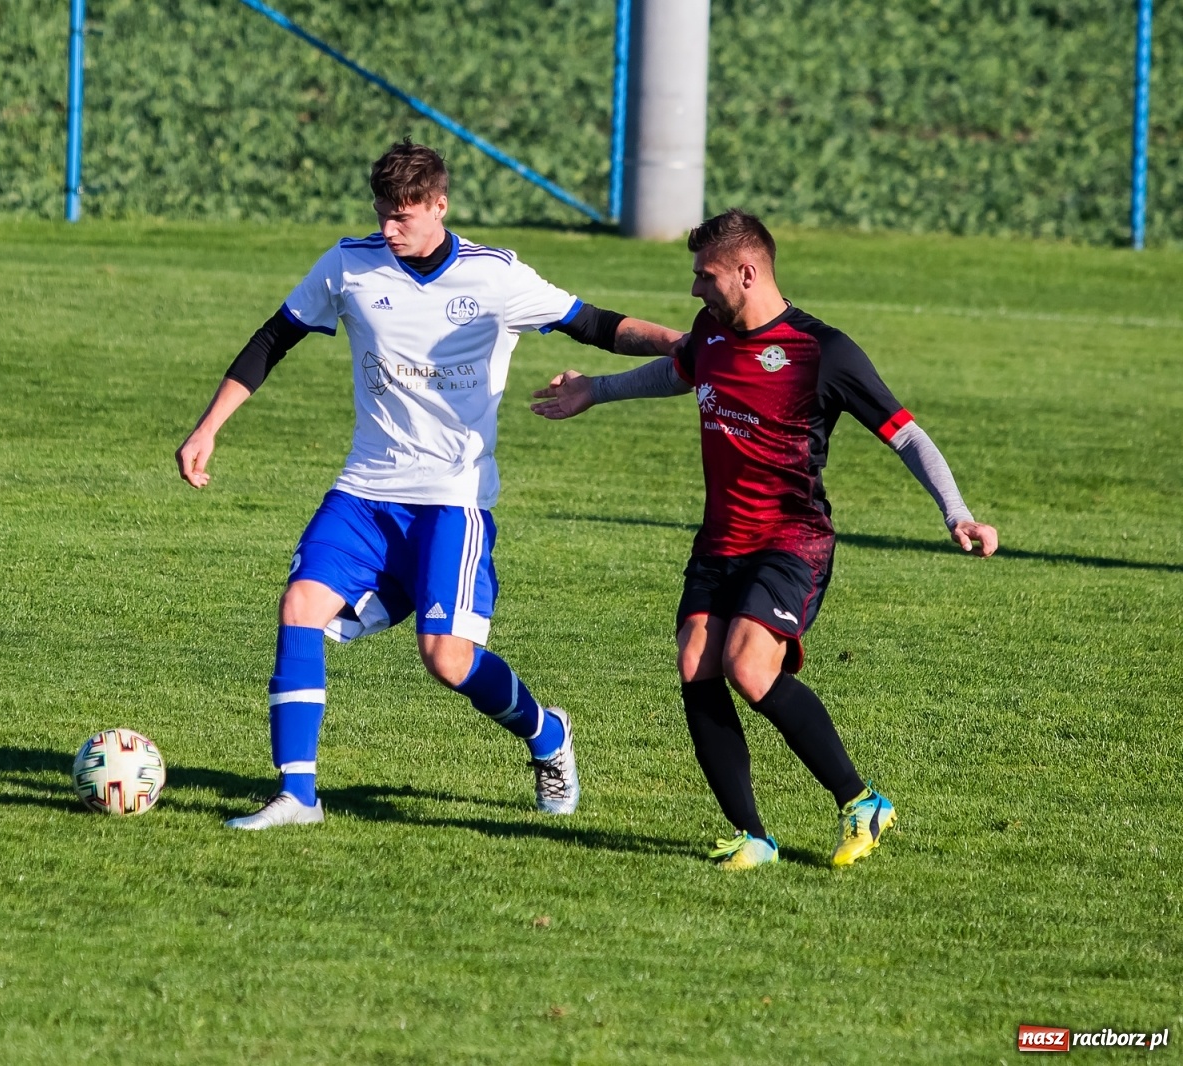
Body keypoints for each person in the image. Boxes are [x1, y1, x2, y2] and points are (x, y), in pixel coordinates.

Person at [176, 140, 642, 830]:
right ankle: (297, 796)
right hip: (366, 488)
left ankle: (549, 737)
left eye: (404, 216)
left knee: (447, 660)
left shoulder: (495, 276)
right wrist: (208, 426)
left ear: (439, 207)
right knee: (299, 605)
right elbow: (272, 338)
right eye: (382, 214)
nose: (390, 229)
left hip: (454, 500)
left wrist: (692, 347)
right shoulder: (349, 265)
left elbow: (595, 324)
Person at [531, 208, 998, 869]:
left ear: (747, 273)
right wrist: (595, 391)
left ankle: (861, 799)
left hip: (792, 538)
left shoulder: (821, 352)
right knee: (696, 661)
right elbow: (681, 371)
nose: (696, 290)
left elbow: (907, 433)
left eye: (705, 276)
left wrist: (957, 513)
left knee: (751, 667)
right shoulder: (710, 333)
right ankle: (753, 835)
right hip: (720, 538)